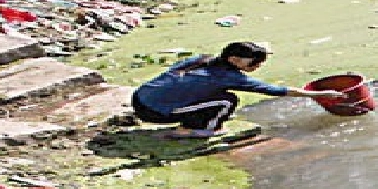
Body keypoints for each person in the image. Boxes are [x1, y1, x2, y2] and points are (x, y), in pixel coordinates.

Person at [131, 41, 346, 139]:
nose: (255, 68)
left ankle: (190, 120)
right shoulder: (228, 76)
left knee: (212, 97)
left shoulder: (202, 59)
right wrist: (319, 94)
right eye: (253, 63)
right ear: (234, 60)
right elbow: (275, 90)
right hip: (154, 112)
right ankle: (204, 131)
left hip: (139, 98)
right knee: (227, 101)